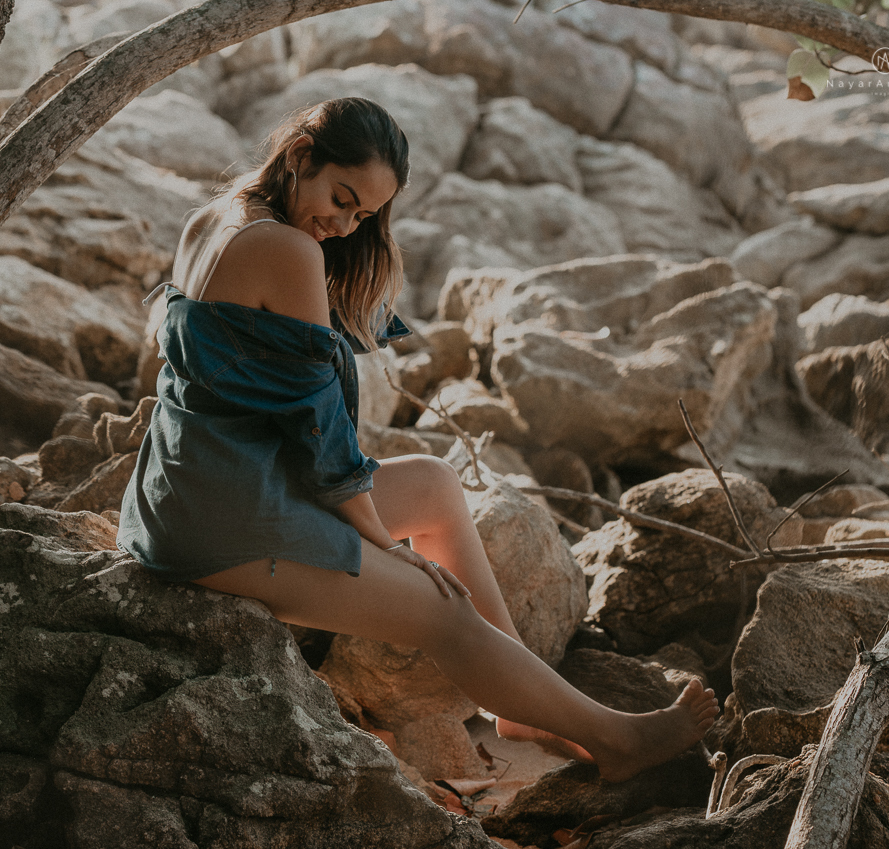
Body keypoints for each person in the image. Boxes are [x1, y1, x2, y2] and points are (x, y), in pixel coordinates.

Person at [118, 97, 719, 783]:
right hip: (223, 521)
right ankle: (616, 740)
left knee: (434, 482)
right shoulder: (284, 249)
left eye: (363, 216)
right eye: (341, 199)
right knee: (440, 607)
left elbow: (210, 383)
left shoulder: (214, 216)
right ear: (299, 157)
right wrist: (380, 544)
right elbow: (322, 433)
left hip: (195, 483)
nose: (342, 227)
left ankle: (521, 705)